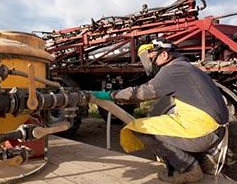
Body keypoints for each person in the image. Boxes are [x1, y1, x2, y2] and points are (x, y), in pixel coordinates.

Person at [92, 38, 229, 184]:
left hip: (205, 132)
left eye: (153, 59)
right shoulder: (187, 67)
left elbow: (140, 93)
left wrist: (110, 95)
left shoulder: (172, 70)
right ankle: (203, 161)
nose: (153, 64)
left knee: (140, 128)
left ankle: (189, 169)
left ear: (164, 55)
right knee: (170, 124)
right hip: (215, 131)